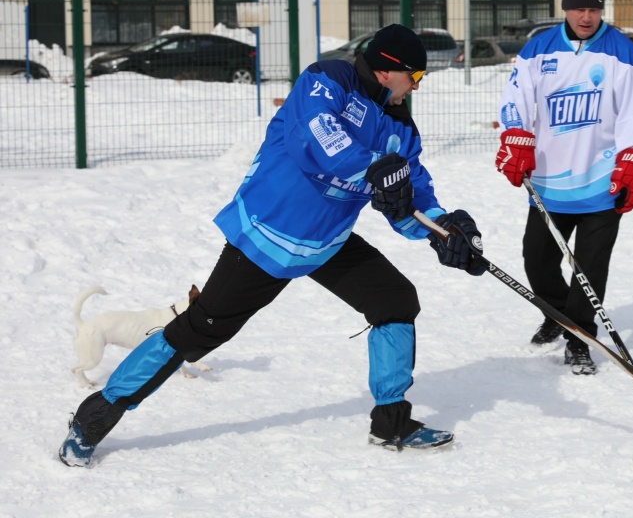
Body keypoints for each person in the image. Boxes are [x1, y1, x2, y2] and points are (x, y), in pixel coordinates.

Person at [59, 24, 486, 467]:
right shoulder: (327, 82)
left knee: (395, 300)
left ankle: (392, 422)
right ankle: (91, 421)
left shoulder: (399, 126)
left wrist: (447, 232)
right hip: (269, 236)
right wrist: (376, 169)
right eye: (415, 76)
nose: (417, 86)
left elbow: (411, 196)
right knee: (198, 332)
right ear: (386, 70)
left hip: (327, 241)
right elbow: (317, 143)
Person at [494, 0, 633, 375]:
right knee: (537, 259)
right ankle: (557, 311)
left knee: (589, 268)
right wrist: (515, 137)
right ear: (565, 8)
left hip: (603, 182)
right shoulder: (538, 49)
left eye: (594, 8)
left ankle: (580, 336)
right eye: (579, 8)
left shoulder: (624, 54)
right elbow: (515, 99)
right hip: (550, 181)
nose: (586, 16)